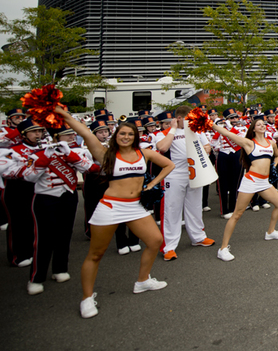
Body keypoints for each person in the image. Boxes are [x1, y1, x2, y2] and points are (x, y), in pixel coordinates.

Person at [53, 106, 175, 319]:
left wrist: (152, 184)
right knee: (96, 254)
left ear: (135, 136)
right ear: (115, 136)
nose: (126, 137)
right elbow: (85, 132)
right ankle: (87, 298)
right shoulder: (105, 154)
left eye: (130, 134)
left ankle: (143, 281)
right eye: (122, 133)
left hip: (135, 207)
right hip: (110, 207)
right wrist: (63, 114)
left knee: (155, 241)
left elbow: (168, 165)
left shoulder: (144, 153)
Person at [21, 125, 93, 295]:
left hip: (68, 196)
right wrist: (44, 159)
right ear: (55, 138)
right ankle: (36, 277)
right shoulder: (38, 154)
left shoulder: (74, 152)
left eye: (72, 135)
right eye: (67, 136)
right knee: (44, 238)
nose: (71, 138)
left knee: (64, 234)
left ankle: (60, 269)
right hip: (46, 198)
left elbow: (88, 168)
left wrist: (70, 154)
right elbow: (28, 177)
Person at [209, 118, 278, 261]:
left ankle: (270, 232)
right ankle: (223, 248)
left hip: (264, 181)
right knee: (237, 214)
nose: (262, 126)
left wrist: (273, 166)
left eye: (263, 124)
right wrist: (210, 124)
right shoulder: (249, 143)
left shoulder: (272, 143)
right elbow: (226, 133)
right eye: (258, 125)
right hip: (251, 181)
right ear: (253, 129)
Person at [154, 106, 216, 261]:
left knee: (195, 207)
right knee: (172, 210)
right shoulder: (164, 133)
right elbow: (162, 148)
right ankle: (169, 247)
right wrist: (173, 129)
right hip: (174, 176)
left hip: (195, 174)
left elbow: (208, 146)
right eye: (189, 118)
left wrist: (204, 150)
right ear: (180, 118)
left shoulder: (196, 131)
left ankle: (198, 237)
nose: (192, 121)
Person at [0, 117, 45, 268]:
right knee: (18, 222)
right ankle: (17, 255)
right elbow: (7, 171)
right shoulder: (12, 150)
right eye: (34, 132)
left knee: (34, 221)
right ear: (24, 134)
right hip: (17, 189)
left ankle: (33, 251)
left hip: (37, 188)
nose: (38, 135)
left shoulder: (45, 147)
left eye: (39, 131)